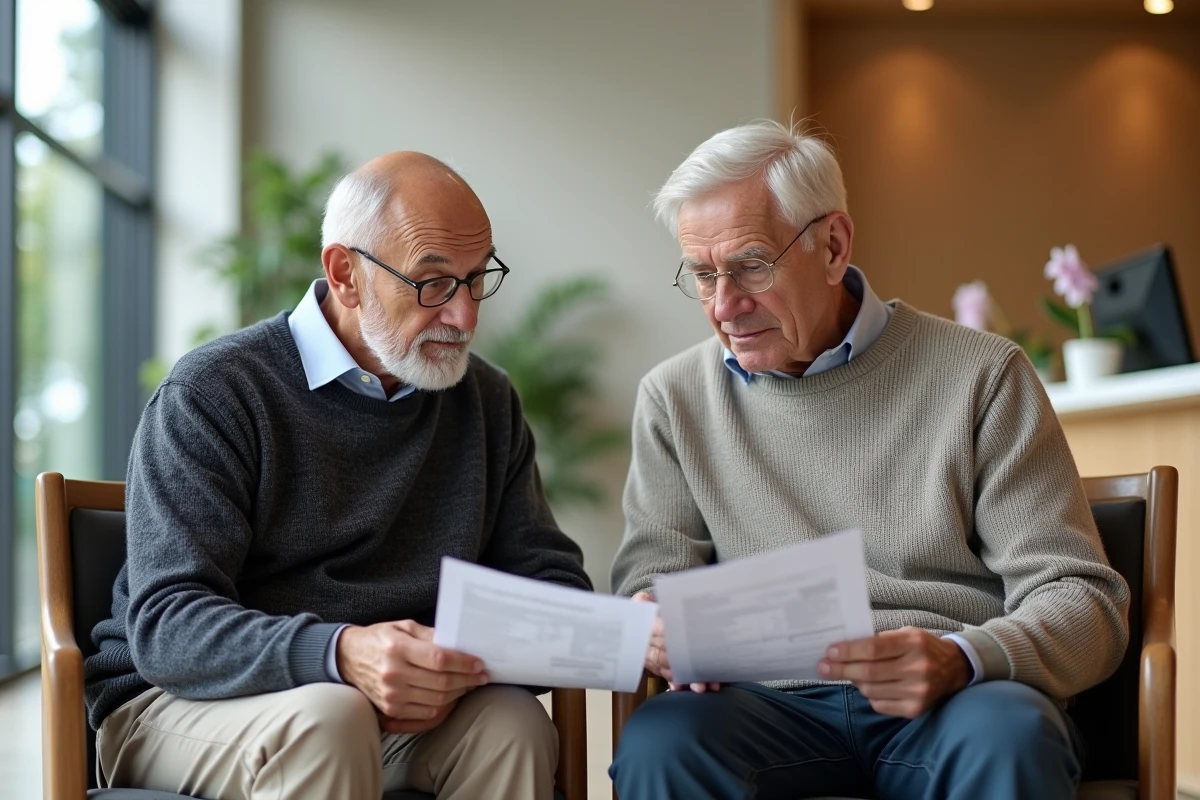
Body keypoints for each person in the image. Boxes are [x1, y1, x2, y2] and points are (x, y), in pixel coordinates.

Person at [608, 120, 1130, 800]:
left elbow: (1085, 602)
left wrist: (962, 658)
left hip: (951, 697)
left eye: (751, 266)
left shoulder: (983, 374)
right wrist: (651, 622)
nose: (725, 306)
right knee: (661, 744)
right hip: (762, 704)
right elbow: (648, 582)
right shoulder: (673, 397)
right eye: (703, 276)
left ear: (833, 245)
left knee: (1012, 734)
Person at [84, 152, 590, 800]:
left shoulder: (486, 401)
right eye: (434, 283)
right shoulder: (215, 392)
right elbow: (169, 627)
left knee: (511, 725)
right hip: (182, 701)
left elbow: (549, 581)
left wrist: (453, 661)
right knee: (330, 716)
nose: (465, 316)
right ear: (346, 274)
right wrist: (341, 654)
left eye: (475, 279)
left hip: (390, 709)